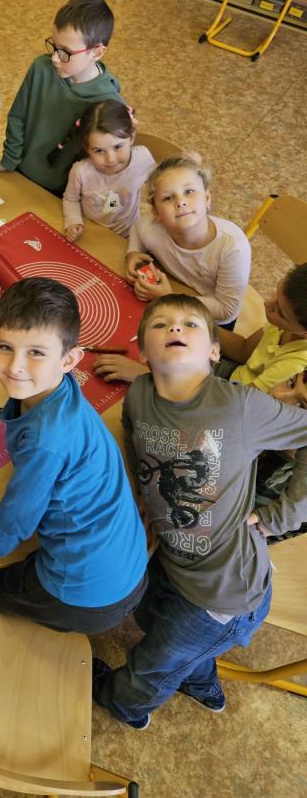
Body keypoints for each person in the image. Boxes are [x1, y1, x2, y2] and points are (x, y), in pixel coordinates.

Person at [93, 294, 307, 729]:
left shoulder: (241, 406)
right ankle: (202, 682)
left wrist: (281, 516)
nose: (175, 328)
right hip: (172, 556)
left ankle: (126, 706)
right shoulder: (139, 394)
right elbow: (132, 431)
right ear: (142, 350)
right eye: (161, 325)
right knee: (151, 619)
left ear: (214, 351)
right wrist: (142, 490)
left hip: (223, 594)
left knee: (150, 667)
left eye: (190, 324)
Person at [0, 278, 148, 634]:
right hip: (128, 562)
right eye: (5, 346)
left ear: (69, 359)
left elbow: (19, 518)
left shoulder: (44, 441)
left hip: (86, 596)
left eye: (36, 353)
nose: (15, 366)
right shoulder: (61, 391)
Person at [0, 0, 124, 196]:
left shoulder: (109, 103)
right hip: (20, 173)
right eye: (54, 45)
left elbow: (101, 165)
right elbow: (18, 117)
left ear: (96, 52)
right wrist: (9, 160)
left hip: (63, 195)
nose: (54, 58)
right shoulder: (40, 68)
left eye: (65, 52)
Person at [96, 263, 307, 388]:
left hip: (229, 400)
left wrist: (146, 376)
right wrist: (193, 320)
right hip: (231, 376)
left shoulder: (295, 368)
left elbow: (235, 406)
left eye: (280, 311)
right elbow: (244, 351)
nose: (267, 303)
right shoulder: (285, 323)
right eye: (275, 293)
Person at [123, 156, 250, 328]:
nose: (180, 202)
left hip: (209, 318)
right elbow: (137, 228)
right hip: (173, 290)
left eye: (189, 192)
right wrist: (133, 252)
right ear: (156, 213)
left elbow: (226, 310)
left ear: (207, 198)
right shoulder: (153, 228)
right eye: (168, 198)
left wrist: (169, 297)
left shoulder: (232, 247)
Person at [62, 100, 154, 241]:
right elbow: (70, 199)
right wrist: (73, 221)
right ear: (86, 148)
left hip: (131, 236)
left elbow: (159, 187)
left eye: (117, 147)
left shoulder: (143, 158)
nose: (110, 159)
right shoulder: (80, 172)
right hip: (92, 234)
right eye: (99, 151)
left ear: (131, 137)